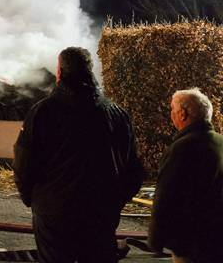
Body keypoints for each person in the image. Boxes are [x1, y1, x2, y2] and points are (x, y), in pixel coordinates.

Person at [13, 47, 143, 263]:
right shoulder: (117, 114)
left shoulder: (42, 113)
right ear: (91, 71)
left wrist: (35, 200)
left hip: (53, 215)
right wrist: (114, 202)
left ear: (60, 72)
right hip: (100, 215)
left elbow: (23, 164)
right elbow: (133, 170)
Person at [148, 88, 223, 262]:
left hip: (191, 242)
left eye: (172, 110)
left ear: (182, 114)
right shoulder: (219, 142)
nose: (171, 114)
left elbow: (166, 196)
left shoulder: (182, 148)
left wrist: (155, 240)